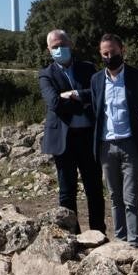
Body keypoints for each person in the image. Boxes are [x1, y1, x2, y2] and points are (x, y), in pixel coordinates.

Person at [38, 29, 104, 234]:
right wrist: (83, 102)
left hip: (87, 137)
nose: (59, 49)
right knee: (67, 192)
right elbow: (55, 102)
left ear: (70, 44)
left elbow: (98, 94)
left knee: (94, 190)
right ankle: (72, 235)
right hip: (63, 140)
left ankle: (98, 233)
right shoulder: (46, 74)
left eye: (62, 45)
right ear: (49, 50)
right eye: (55, 47)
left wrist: (75, 94)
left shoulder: (87, 68)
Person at [89, 33, 138, 247]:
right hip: (107, 144)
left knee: (131, 198)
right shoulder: (96, 79)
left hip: (131, 144)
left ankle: (135, 243)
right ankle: (120, 240)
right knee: (115, 197)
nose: (109, 56)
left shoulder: (137, 77)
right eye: (105, 53)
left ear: (122, 50)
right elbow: (97, 110)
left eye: (113, 52)